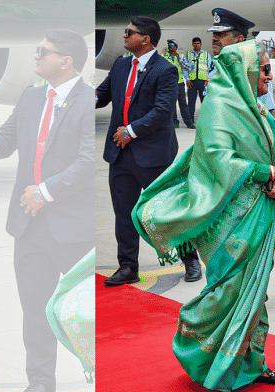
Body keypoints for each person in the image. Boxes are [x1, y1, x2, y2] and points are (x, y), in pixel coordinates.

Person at [132, 40, 275, 391]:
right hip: (228, 221)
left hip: (260, 212)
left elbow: (271, 148)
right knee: (227, 291)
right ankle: (206, 359)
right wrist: (265, 173)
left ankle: (252, 364)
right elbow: (219, 158)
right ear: (245, 71)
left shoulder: (254, 106)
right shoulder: (219, 107)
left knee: (255, 293)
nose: (269, 75)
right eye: (264, 68)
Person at [0, 29, 94, 392]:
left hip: (73, 230)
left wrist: (46, 191)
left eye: (41, 52)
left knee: (86, 312)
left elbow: (87, 160)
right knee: (34, 312)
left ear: (65, 60)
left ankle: (98, 371)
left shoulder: (88, 100)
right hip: (29, 227)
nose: (35, 57)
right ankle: (40, 382)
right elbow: (8, 139)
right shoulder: (31, 97)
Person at [96, 16, 201, 286]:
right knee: (124, 213)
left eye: (128, 32)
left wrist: (130, 131)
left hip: (153, 154)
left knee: (168, 211)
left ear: (145, 38)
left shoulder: (165, 69)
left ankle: (190, 260)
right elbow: (102, 94)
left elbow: (163, 111)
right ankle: (128, 267)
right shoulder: (121, 65)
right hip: (120, 153)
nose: (123, 36)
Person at [204, 7, 275, 112]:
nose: (214, 38)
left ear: (239, 39)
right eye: (214, 34)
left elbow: (266, 115)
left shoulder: (253, 73)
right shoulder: (217, 68)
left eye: (220, 34)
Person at [163, 38, 195, 129]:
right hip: (169, 84)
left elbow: (188, 67)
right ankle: (174, 122)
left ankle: (189, 123)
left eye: (172, 45)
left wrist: (179, 59)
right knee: (172, 104)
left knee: (183, 104)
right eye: (169, 44)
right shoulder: (165, 56)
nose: (170, 46)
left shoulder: (181, 56)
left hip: (179, 83)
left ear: (176, 47)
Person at [184, 36, 212, 121]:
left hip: (203, 82)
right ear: (193, 44)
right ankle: (190, 120)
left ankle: (205, 120)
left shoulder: (206, 54)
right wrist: (187, 79)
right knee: (191, 102)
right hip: (192, 82)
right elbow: (185, 68)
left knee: (204, 101)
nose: (196, 45)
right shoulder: (188, 54)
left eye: (198, 43)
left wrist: (208, 79)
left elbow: (210, 67)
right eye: (195, 44)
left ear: (201, 44)